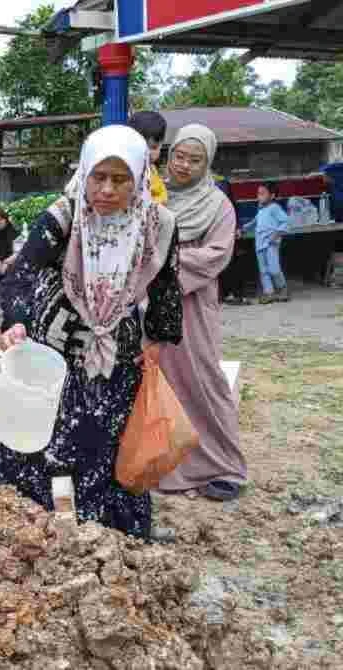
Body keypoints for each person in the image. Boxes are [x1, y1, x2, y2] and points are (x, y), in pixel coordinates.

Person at [0, 125, 182, 539]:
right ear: (84, 174)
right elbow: (23, 274)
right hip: (58, 346)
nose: (108, 190)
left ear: (139, 178)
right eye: (99, 177)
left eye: (120, 179)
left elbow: (167, 286)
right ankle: (42, 527)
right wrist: (15, 320)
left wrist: (156, 342)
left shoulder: (160, 225)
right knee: (52, 437)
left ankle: (108, 532)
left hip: (119, 350)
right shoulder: (64, 215)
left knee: (107, 440)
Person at [157, 124, 247, 501]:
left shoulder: (217, 205)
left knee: (203, 378)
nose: (184, 166)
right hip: (152, 302)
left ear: (207, 162)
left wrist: (165, 263)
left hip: (192, 303)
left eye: (195, 160)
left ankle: (225, 465)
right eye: (179, 156)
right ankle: (164, 463)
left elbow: (217, 255)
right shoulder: (154, 194)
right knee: (159, 379)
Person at [240, 182, 290, 304]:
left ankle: (282, 289)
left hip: (271, 244)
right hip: (260, 244)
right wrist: (242, 229)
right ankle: (269, 293)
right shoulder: (261, 209)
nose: (259, 196)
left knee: (274, 269)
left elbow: (285, 222)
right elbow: (254, 222)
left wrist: (277, 234)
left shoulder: (274, 208)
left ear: (272, 196)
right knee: (263, 271)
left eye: (262, 194)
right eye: (258, 194)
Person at [127, 111, 168, 205]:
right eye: (142, 148)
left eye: (154, 147)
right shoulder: (130, 172)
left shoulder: (152, 169)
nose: (148, 153)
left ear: (161, 145)